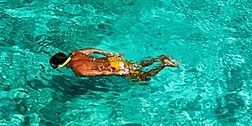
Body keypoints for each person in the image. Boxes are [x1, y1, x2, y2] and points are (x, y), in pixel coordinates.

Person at [49, 48, 178, 81]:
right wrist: (108, 54)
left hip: (114, 67)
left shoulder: (79, 71)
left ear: (61, 65)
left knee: (142, 78)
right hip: (113, 60)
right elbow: (94, 50)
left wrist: (117, 72)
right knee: (137, 66)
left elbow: (102, 72)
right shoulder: (75, 53)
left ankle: (164, 65)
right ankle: (159, 58)